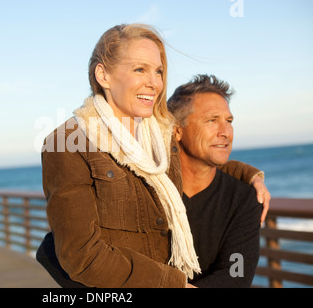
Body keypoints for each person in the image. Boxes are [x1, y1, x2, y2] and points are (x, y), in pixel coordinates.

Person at [37, 23, 269, 288]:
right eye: (139, 69)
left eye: (158, 71)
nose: (154, 83)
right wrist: (175, 286)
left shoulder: (160, 134)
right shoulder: (68, 142)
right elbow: (82, 257)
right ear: (103, 75)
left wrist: (251, 177)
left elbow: (201, 155)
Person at [167, 74, 262, 287]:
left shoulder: (243, 199)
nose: (225, 132)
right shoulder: (148, 191)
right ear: (177, 131)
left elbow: (236, 274)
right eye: (212, 120)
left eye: (228, 121)